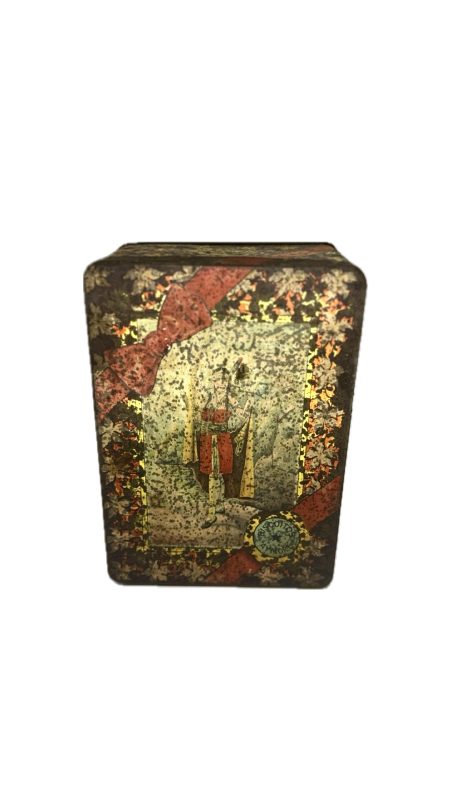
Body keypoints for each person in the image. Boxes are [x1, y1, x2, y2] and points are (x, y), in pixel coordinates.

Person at [198, 363, 252, 528]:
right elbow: (201, 416)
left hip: (223, 439)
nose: (220, 384)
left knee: (219, 473)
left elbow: (241, 413)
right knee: (212, 474)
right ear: (213, 382)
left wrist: (244, 412)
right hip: (209, 439)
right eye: (217, 380)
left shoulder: (230, 398)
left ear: (228, 382)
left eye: (223, 380)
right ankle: (214, 508)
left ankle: (215, 508)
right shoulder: (208, 397)